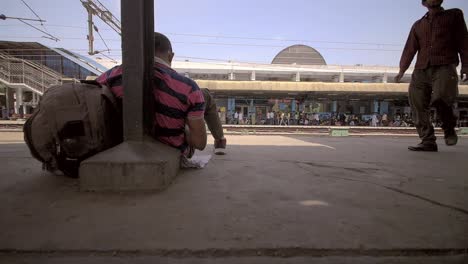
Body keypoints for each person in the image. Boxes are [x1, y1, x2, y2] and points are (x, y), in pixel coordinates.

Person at [96, 32, 227, 156]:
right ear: (170, 56)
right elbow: (199, 144)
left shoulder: (110, 76)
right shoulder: (188, 87)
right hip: (174, 147)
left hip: (119, 143)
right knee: (205, 95)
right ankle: (220, 140)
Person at [395, 0, 467, 152]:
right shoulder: (418, 25)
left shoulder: (454, 15)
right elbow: (410, 48)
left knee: (441, 98)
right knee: (417, 103)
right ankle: (427, 140)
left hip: (444, 65)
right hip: (421, 69)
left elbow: (463, 41)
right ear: (424, 3)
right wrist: (402, 70)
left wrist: (466, 65)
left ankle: (449, 128)